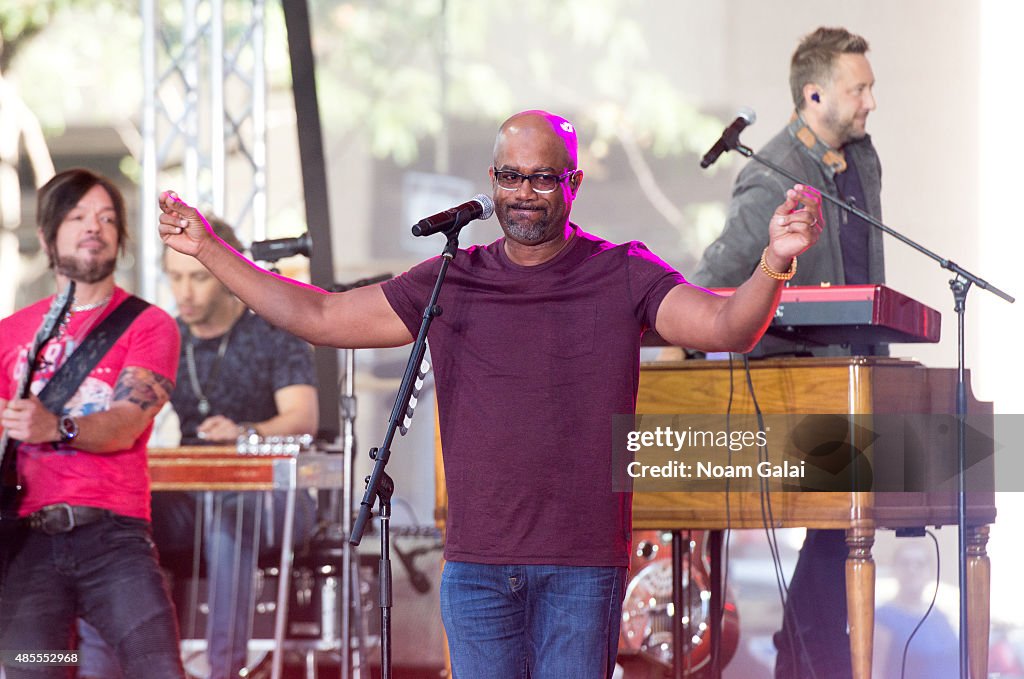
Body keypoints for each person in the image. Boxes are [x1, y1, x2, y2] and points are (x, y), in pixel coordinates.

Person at [158, 109, 823, 678]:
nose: (526, 192)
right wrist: (211, 251)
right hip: (477, 568)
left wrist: (774, 262)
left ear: (573, 184)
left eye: (542, 177)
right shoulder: (454, 276)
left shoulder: (620, 272)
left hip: (580, 569)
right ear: (492, 183)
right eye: (511, 176)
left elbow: (726, 327)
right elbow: (322, 318)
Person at [691, 27, 883, 679]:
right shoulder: (770, 172)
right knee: (844, 519)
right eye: (859, 89)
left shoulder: (861, 157)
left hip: (852, 374)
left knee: (853, 520)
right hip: (790, 385)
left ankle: (809, 653)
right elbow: (711, 280)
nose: (870, 102)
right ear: (814, 94)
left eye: (869, 87)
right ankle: (805, 655)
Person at [77, 217, 319, 679]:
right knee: (112, 512)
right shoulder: (166, 336)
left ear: (228, 273)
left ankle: (221, 670)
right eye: (176, 276)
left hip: (272, 499)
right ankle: (110, 666)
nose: (183, 290)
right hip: (194, 494)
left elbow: (302, 417)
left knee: (228, 508)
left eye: (198, 276)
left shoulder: (270, 332)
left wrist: (246, 432)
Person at [0, 168, 185, 678]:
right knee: (37, 667)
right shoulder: (11, 333)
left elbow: (127, 422)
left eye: (107, 218)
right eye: (78, 216)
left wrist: (54, 426)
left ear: (120, 239)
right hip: (27, 544)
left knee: (158, 670)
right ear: (46, 236)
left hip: (114, 540)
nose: (94, 227)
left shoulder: (149, 324)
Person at [873, 540, 957, 679]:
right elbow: (875, 672)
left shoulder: (941, 617)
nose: (912, 570)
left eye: (920, 564)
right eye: (905, 563)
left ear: (930, 571)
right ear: (894, 569)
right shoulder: (882, 619)